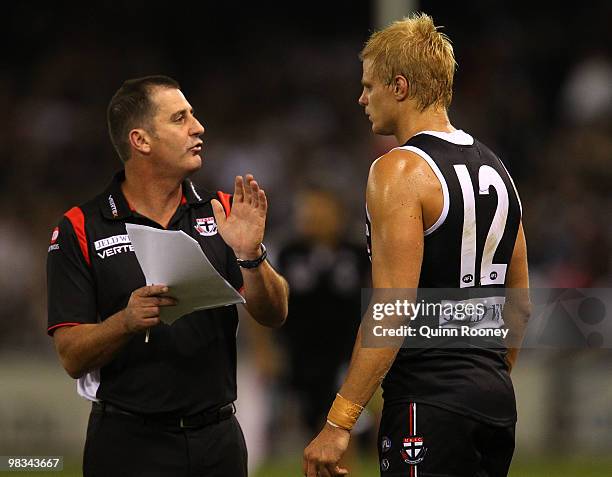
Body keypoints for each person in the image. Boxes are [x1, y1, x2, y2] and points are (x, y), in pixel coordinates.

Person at [303, 13, 530, 477]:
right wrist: (485, 378)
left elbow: (394, 307)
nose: (361, 98)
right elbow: (519, 305)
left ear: (400, 87)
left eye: (369, 86)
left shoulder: (399, 170)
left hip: (427, 398)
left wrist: (339, 421)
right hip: (494, 398)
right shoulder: (499, 170)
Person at [46, 75, 289, 477]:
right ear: (141, 141)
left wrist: (252, 256)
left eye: (192, 115)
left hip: (219, 440)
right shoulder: (80, 227)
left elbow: (275, 312)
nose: (198, 127)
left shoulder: (221, 209)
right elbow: (71, 355)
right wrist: (125, 322)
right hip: (126, 444)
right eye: (180, 118)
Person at [277, 187, 370, 436]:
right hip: (302, 352)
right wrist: (267, 349)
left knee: (346, 421)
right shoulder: (289, 253)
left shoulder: (357, 252)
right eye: (308, 210)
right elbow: (268, 299)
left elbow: (376, 297)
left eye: (321, 209)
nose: (313, 216)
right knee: (311, 420)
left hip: (348, 350)